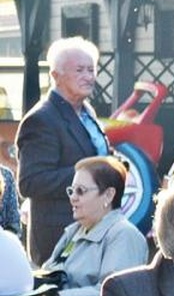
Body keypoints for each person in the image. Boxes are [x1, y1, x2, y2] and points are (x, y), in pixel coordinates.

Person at [16, 37, 111, 263]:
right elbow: (30, 182)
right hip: (59, 235)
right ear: (56, 75)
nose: (88, 76)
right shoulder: (42, 119)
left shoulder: (86, 111)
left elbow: (94, 155)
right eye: (79, 70)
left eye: (91, 69)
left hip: (94, 229)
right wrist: (90, 176)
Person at [40, 155, 147, 296]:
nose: (73, 197)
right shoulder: (74, 231)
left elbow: (116, 293)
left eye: (81, 191)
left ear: (108, 195)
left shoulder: (124, 235)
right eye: (72, 190)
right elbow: (49, 274)